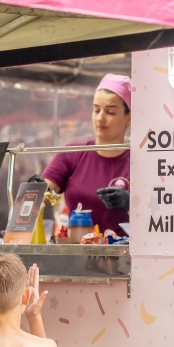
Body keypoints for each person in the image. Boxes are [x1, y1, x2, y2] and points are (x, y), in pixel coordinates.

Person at [35, 73, 132, 234]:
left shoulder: (139, 162)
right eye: (96, 110)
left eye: (110, 112)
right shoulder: (71, 154)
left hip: (125, 249)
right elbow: (43, 195)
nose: (100, 118)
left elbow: (159, 211)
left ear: (128, 116)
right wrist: (36, 188)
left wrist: (131, 202)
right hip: (76, 247)